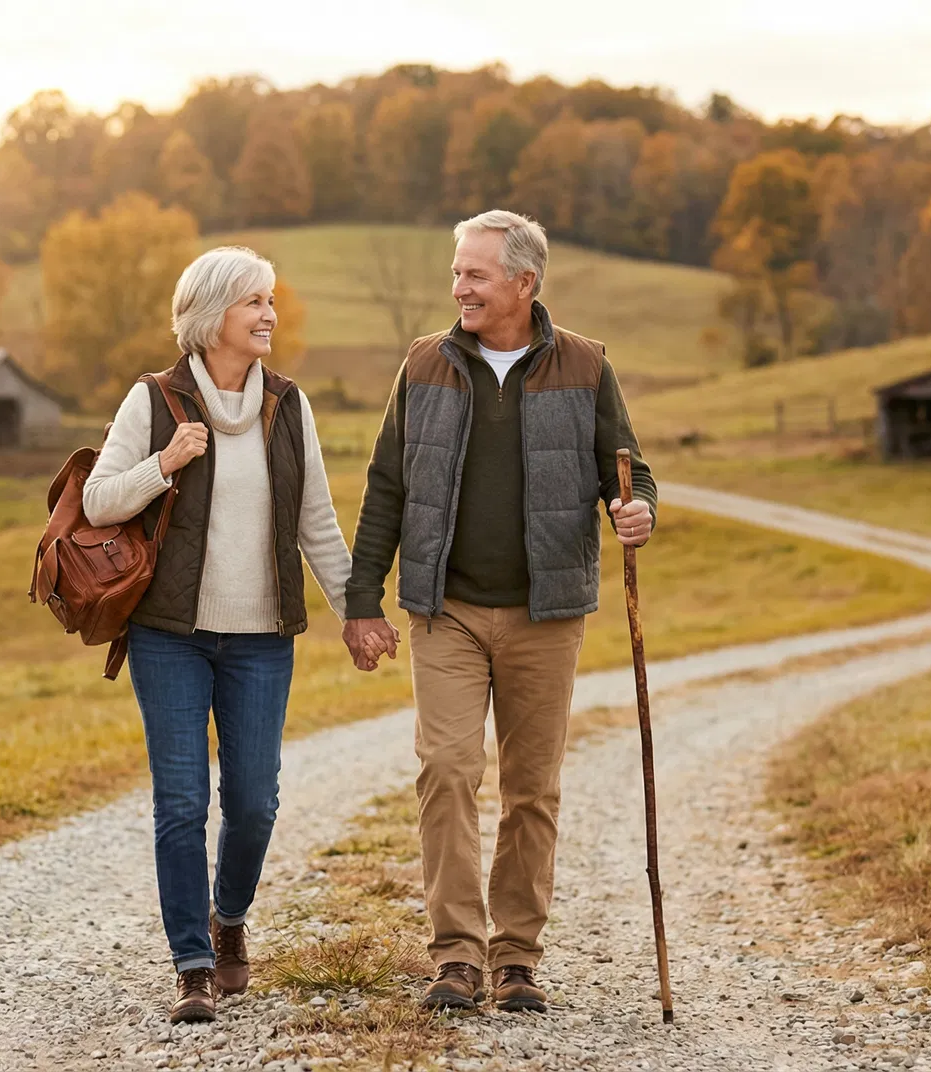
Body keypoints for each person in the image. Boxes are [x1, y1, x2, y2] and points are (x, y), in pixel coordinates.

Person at [342, 210, 656, 1013]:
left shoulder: (584, 366)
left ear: (524, 281)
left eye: (477, 274)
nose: (460, 287)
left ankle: (516, 957)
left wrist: (637, 509)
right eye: (457, 272)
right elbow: (386, 486)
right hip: (444, 611)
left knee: (531, 788)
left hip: (545, 615)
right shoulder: (424, 365)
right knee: (447, 770)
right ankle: (456, 956)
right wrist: (361, 600)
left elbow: (627, 470)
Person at [82, 246, 390, 1023]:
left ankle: (229, 919)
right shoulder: (153, 400)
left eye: (271, 301)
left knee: (253, 802)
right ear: (212, 312)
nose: (269, 315)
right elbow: (95, 503)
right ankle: (191, 962)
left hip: (261, 637)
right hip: (171, 635)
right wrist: (164, 462)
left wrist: (356, 609)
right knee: (181, 801)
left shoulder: (288, 405)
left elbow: (317, 519)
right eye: (254, 301)